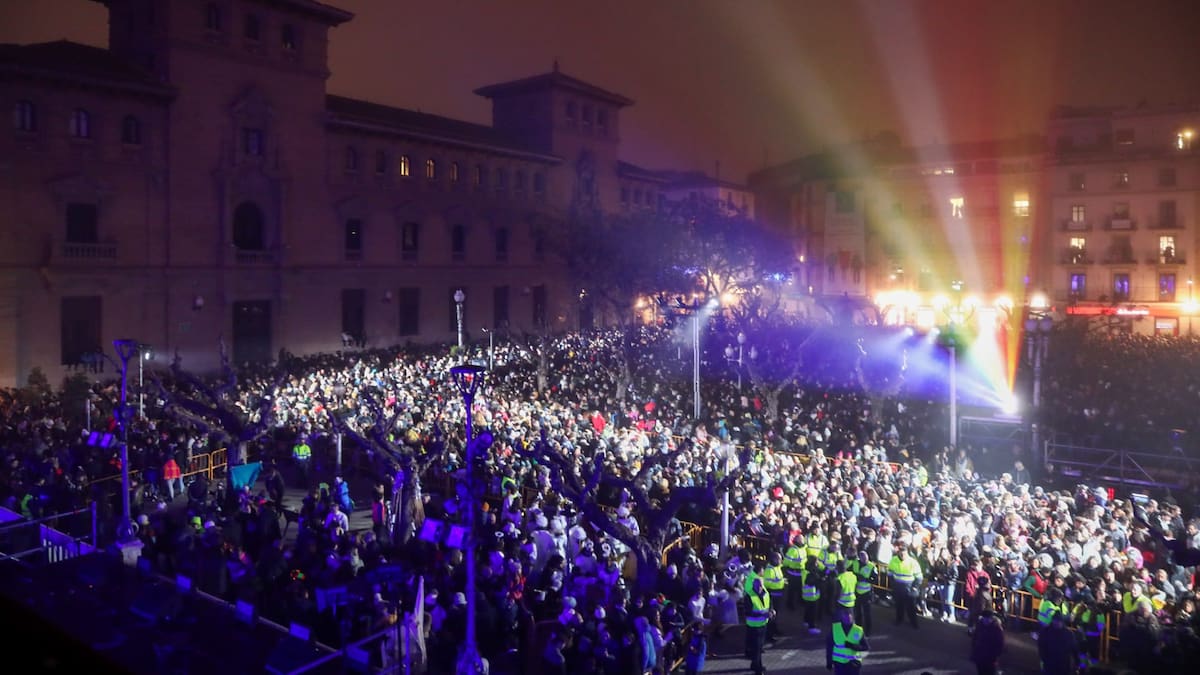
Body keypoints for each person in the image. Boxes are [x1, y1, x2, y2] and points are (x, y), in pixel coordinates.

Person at [826, 608, 869, 674]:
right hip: (839, 663)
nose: (848, 616)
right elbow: (829, 647)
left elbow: (866, 647)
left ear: (853, 616)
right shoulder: (835, 628)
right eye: (845, 614)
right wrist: (829, 661)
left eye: (849, 614)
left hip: (854, 663)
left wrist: (852, 646)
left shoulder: (858, 630)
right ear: (841, 616)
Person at [888, 546, 921, 629]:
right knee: (899, 605)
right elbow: (890, 573)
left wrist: (914, 587)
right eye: (901, 554)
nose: (903, 555)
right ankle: (899, 620)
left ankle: (913, 622)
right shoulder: (893, 560)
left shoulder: (913, 562)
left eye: (904, 554)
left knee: (911, 607)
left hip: (909, 587)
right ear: (898, 553)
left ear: (907, 553)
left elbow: (919, 577)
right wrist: (893, 584)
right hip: (898, 586)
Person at [744, 576, 772, 675]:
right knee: (756, 647)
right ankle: (757, 668)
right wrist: (762, 614)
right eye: (758, 585)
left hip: (763, 624)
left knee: (760, 646)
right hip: (753, 625)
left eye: (761, 585)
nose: (760, 587)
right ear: (754, 585)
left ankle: (754, 664)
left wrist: (771, 611)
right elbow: (748, 612)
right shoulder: (749, 596)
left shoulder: (766, 593)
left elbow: (769, 604)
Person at [970, 609, 1005, 675]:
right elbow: (975, 638)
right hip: (980, 655)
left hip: (990, 656)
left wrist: (996, 655)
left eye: (988, 618)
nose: (986, 620)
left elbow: (1000, 643)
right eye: (985, 618)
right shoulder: (980, 625)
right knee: (981, 671)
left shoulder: (996, 628)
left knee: (989, 672)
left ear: (991, 618)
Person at [848, 550, 875, 636]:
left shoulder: (871, 566)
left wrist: (865, 579)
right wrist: (856, 576)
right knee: (857, 612)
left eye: (866, 559)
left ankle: (868, 631)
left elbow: (875, 579)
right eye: (863, 559)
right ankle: (858, 629)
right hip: (856, 592)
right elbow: (848, 571)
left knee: (867, 613)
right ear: (860, 558)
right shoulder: (855, 563)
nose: (865, 560)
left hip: (866, 593)